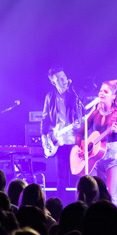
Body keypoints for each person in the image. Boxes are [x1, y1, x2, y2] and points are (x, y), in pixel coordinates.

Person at [83, 80, 117, 209]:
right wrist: (81, 146)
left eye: (105, 91)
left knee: (112, 193)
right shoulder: (95, 112)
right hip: (96, 155)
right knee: (92, 192)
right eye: (100, 90)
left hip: (113, 155)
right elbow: (82, 131)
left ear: (113, 96)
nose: (101, 93)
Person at [41, 66, 84, 201]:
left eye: (64, 77)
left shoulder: (76, 94)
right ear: (54, 82)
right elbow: (45, 119)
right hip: (59, 143)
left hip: (75, 142)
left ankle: (82, 206)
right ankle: (61, 209)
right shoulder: (50, 97)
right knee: (61, 179)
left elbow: (84, 115)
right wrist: (44, 138)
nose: (64, 80)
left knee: (80, 177)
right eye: (60, 79)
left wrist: (80, 123)